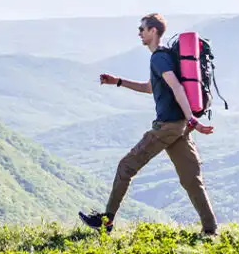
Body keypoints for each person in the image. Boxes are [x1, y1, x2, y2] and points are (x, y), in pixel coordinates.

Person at [78, 13, 218, 235]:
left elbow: (177, 88)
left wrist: (194, 120)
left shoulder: (159, 58)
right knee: (191, 179)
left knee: (126, 167)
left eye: (142, 29)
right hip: (180, 127)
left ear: (154, 31)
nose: (139, 33)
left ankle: (107, 221)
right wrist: (119, 82)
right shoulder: (164, 58)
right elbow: (150, 87)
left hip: (168, 126)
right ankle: (210, 230)